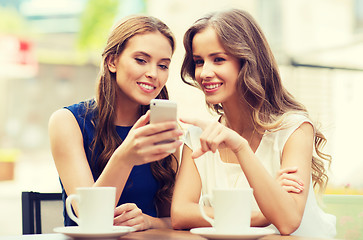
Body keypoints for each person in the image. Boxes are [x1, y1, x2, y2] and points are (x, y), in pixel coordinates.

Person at [171, 9, 336, 238]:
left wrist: (239, 146)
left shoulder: (294, 129)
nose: (205, 72)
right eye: (199, 62)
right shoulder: (199, 136)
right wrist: (260, 214)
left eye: (218, 59)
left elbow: (287, 221)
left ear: (247, 62)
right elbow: (180, 213)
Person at [48, 15, 183, 231]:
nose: (153, 74)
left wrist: (149, 222)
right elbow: (89, 219)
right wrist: (125, 156)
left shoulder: (165, 132)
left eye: (163, 65)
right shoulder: (67, 122)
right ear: (112, 61)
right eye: (141, 60)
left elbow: (176, 221)